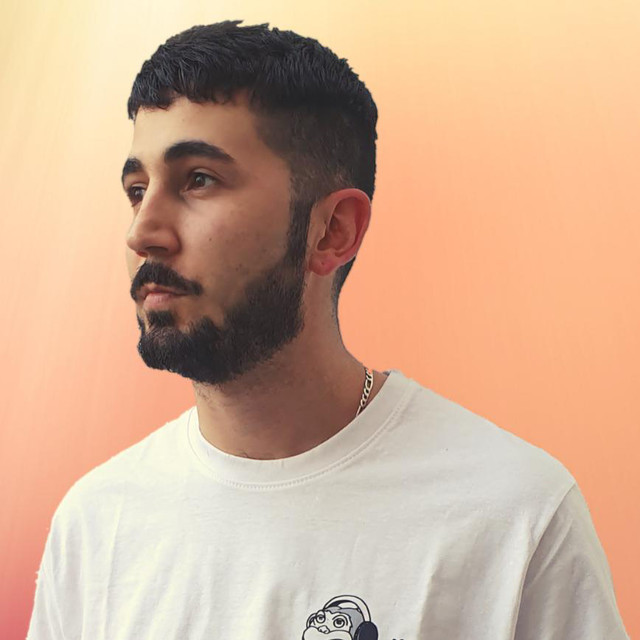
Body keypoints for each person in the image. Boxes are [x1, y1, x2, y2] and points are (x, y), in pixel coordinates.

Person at [27, 20, 630, 640]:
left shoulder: (515, 517)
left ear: (332, 231)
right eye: (136, 189)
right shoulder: (96, 525)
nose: (142, 232)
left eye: (198, 180)